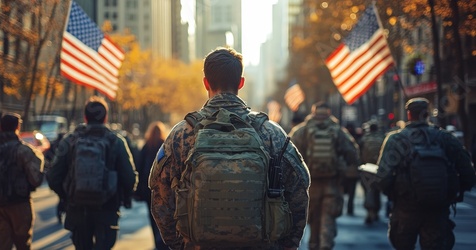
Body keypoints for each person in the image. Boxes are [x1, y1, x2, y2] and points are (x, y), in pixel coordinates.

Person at [149, 47, 310, 249]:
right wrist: (285, 246)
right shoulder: (271, 133)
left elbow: (160, 196)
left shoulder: (181, 135)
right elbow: (298, 192)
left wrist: (181, 245)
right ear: (241, 83)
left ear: (205, 82)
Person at [374, 97, 476, 249]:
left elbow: (383, 177)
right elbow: (468, 172)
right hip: (437, 207)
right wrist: (451, 192)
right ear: (427, 114)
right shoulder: (445, 138)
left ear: (409, 114)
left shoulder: (396, 139)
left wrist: (393, 193)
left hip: (406, 207)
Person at [47, 96, 138, 250]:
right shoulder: (116, 141)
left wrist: (68, 196)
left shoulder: (70, 140)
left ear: (85, 117)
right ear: (106, 117)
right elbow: (129, 178)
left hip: (77, 210)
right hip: (107, 210)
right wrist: (122, 196)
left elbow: (53, 176)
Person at [289, 102, 359, 250]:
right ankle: (325, 245)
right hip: (331, 183)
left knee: (313, 220)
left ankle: (313, 245)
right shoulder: (337, 130)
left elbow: (289, 153)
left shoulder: (302, 130)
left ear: (313, 112)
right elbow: (352, 152)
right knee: (328, 218)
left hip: (310, 184)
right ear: (328, 113)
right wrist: (346, 170)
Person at [0, 113, 44, 249]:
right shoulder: (24, 150)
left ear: (0, 127)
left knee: (2, 243)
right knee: (22, 243)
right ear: (17, 127)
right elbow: (36, 179)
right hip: (19, 204)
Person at [134, 121, 168, 250]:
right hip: (162, 189)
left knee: (152, 216)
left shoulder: (146, 146)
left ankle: (156, 239)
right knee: (163, 216)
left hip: (148, 190)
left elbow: (139, 166)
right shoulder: (165, 146)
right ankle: (163, 241)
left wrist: (138, 190)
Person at [358, 122, 385, 224]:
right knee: (377, 191)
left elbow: (359, 153)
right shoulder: (382, 138)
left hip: (366, 168)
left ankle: (369, 212)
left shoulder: (364, 139)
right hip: (379, 168)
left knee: (368, 190)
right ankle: (376, 211)